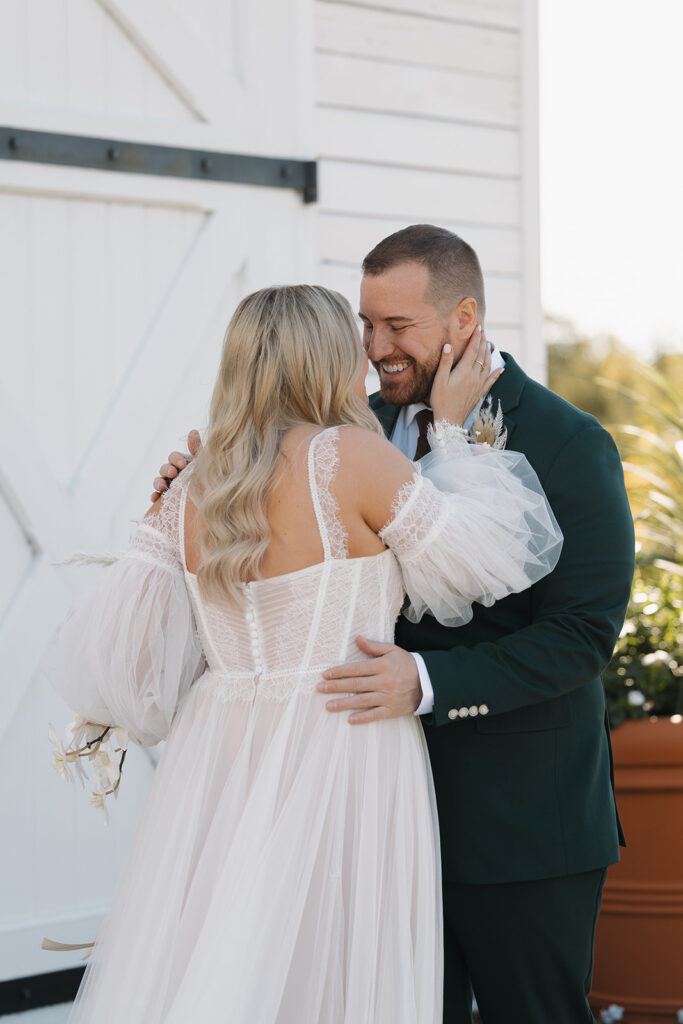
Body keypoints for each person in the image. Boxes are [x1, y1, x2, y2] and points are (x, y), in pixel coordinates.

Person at [43, 284, 562, 1023]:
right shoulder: (349, 456)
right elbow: (480, 564)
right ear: (323, 359)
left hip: (217, 750)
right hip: (341, 735)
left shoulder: (192, 480)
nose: (367, 358)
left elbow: (127, 659)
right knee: (335, 967)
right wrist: (448, 435)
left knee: (224, 953)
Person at [155, 227, 635, 1024]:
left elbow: (581, 634)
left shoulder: (569, 442)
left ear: (464, 319)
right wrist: (195, 485)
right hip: (363, 811)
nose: (375, 348)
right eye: (364, 324)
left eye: (397, 327)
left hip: (517, 819)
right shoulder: (349, 433)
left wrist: (428, 680)